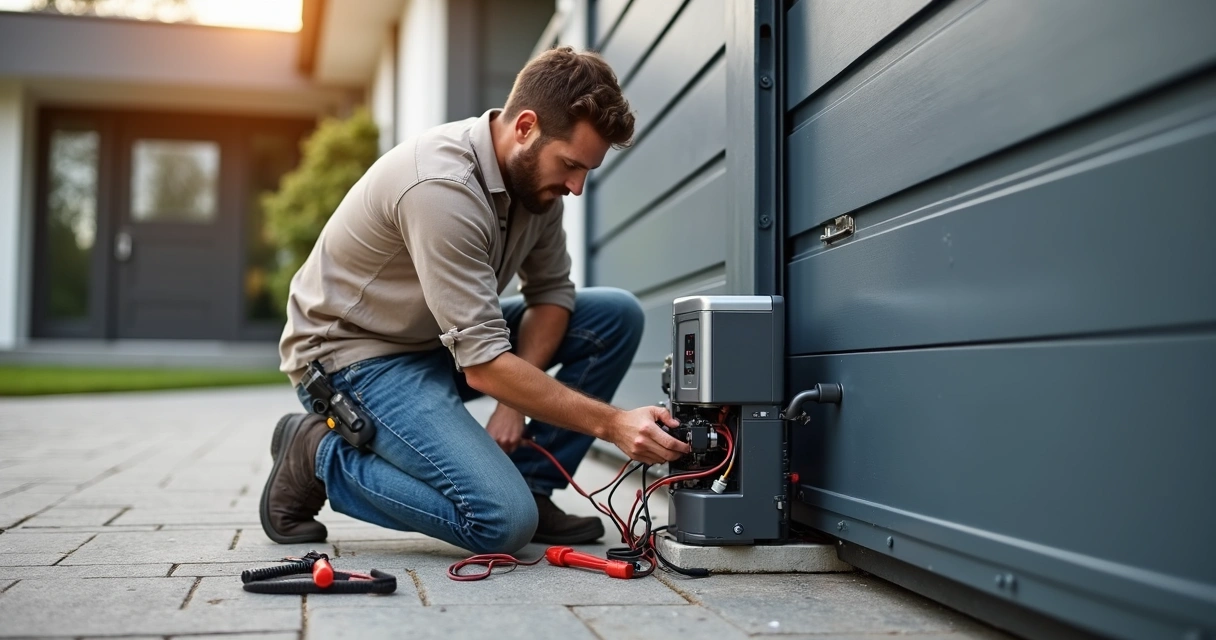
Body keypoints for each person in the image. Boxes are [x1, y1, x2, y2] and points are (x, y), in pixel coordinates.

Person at [261, 47, 691, 554]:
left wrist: (513, 402)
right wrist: (613, 423)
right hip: (354, 359)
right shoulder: (442, 188)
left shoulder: (537, 185)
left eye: (586, 172)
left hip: (437, 340)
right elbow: (484, 365)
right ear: (526, 127)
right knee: (502, 524)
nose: (576, 187)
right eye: (571, 165)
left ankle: (531, 482)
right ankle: (316, 454)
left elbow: (550, 294)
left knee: (613, 315)